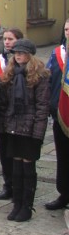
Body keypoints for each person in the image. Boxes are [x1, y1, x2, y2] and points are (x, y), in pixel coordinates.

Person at [0, 38, 50, 222]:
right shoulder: (11, 74)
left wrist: (38, 133)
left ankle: (27, 206)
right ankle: (17, 204)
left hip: (29, 129)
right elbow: (5, 103)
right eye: (16, 53)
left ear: (29, 55)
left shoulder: (40, 75)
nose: (18, 56)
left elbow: (42, 106)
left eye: (21, 53)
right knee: (16, 167)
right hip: (13, 127)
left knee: (28, 167)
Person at [0, 27, 24, 201]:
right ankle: (8, 185)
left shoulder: (22, 63)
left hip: (17, 114)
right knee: (4, 152)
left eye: (10, 39)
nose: (7, 42)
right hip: (2, 113)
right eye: (5, 39)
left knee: (16, 152)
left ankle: (18, 187)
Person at [45, 18, 69, 211]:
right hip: (60, 113)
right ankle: (64, 193)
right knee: (63, 157)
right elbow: (48, 78)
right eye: (66, 29)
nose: (68, 32)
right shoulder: (57, 54)